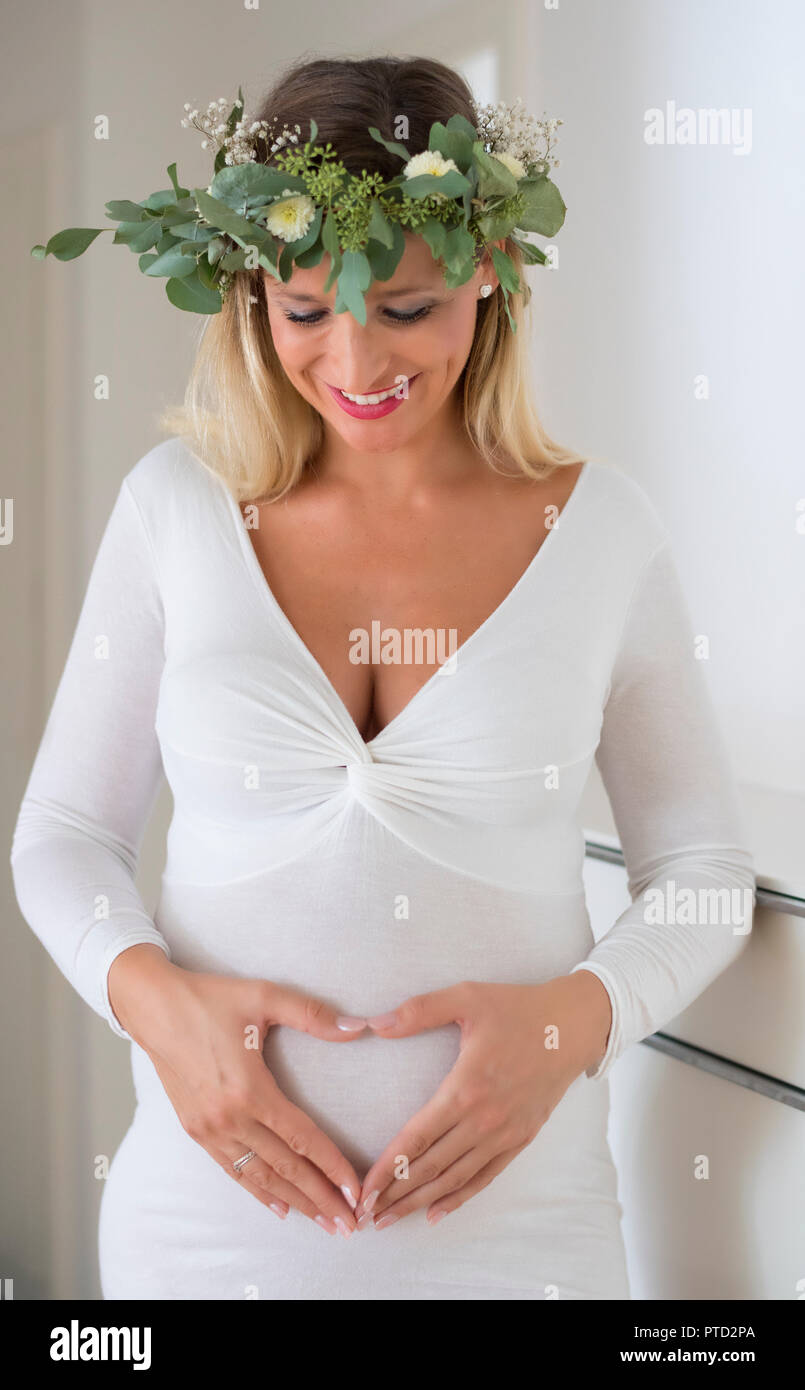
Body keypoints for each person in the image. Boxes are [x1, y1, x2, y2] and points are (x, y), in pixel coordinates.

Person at [10, 55, 755, 1300]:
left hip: (524, 1244)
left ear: (494, 274)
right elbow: (64, 833)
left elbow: (703, 874)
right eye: (305, 313)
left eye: (405, 307)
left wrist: (570, 1024)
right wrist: (159, 1009)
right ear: (251, 294)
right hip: (202, 1237)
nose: (357, 361)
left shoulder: (601, 530)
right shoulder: (174, 514)